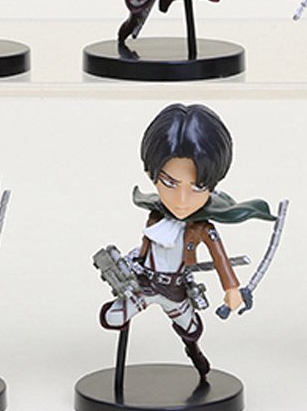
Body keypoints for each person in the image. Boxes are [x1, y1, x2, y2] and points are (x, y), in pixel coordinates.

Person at [99, 103, 274, 379]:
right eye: (170, 183)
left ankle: (195, 354)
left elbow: (220, 259)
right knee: (113, 317)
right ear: (151, 175)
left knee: (190, 329)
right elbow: (146, 247)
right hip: (144, 283)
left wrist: (232, 289)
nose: (182, 200)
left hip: (176, 290)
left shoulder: (201, 228)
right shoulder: (155, 217)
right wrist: (132, 264)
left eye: (197, 187)